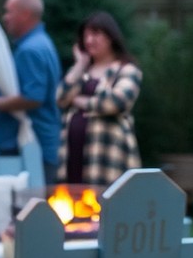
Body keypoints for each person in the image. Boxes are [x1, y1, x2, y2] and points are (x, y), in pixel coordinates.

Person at [0, 0, 62, 183]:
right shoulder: (42, 43)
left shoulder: (30, 50)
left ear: (25, 14)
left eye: (9, 11)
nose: (5, 17)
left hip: (27, 146)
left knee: (29, 208)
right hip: (39, 144)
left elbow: (32, 98)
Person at [56, 10, 142, 186]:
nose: (88, 40)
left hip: (108, 157)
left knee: (106, 208)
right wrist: (80, 64)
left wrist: (81, 101)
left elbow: (116, 102)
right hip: (73, 155)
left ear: (110, 37)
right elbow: (61, 98)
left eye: (95, 34)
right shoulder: (83, 71)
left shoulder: (127, 70)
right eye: (85, 35)